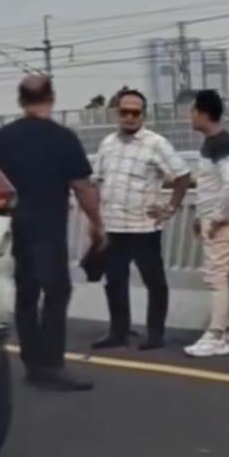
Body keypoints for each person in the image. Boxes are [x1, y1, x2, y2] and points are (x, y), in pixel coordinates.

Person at [0, 74, 105, 391]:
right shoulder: (62, 138)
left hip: (13, 228)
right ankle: (51, 365)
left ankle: (34, 362)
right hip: (48, 228)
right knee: (56, 292)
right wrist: (97, 224)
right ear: (51, 98)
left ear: (21, 101)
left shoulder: (3, 139)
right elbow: (83, 187)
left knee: (26, 294)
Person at [92, 87, 191, 351]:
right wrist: (95, 221)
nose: (129, 117)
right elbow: (98, 181)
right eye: (124, 112)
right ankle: (118, 331)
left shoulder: (156, 144)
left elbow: (183, 176)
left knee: (154, 281)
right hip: (113, 225)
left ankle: (155, 334)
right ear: (116, 113)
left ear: (143, 115)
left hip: (144, 227)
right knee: (114, 281)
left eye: (135, 113)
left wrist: (170, 207)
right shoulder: (107, 144)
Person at [184, 89, 229, 358]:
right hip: (220, 214)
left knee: (216, 276)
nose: (190, 116)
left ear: (203, 113)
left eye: (192, 111)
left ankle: (216, 334)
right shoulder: (214, 142)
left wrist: (217, 217)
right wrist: (201, 216)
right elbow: (211, 185)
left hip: (223, 218)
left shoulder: (221, 143)